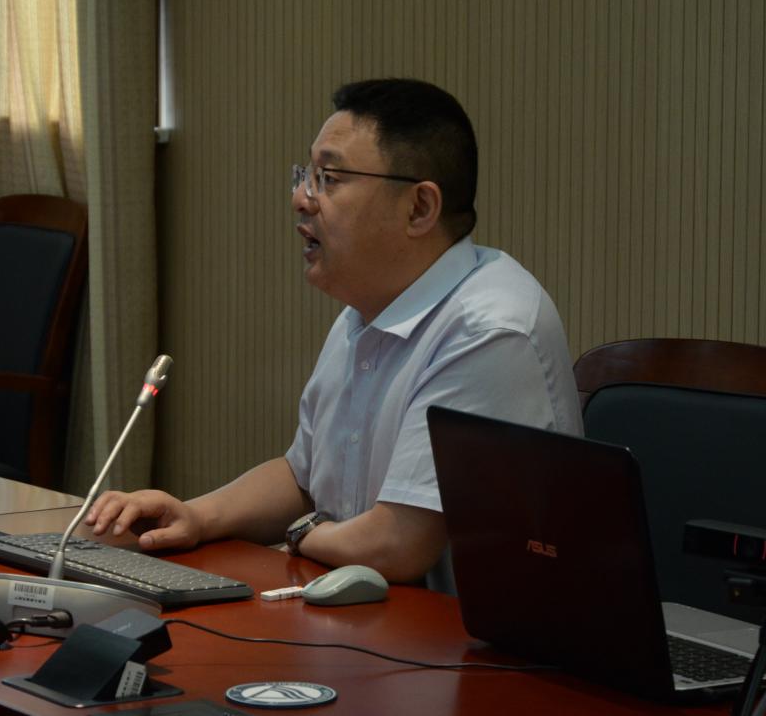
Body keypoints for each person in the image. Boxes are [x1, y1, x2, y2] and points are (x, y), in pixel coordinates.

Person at [86, 78, 582, 584]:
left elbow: (395, 545)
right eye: (306, 175)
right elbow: (303, 478)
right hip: (371, 615)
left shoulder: (489, 330)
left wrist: (301, 532)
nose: (301, 198)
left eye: (329, 178)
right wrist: (195, 516)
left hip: (462, 630)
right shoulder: (367, 309)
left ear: (419, 208)